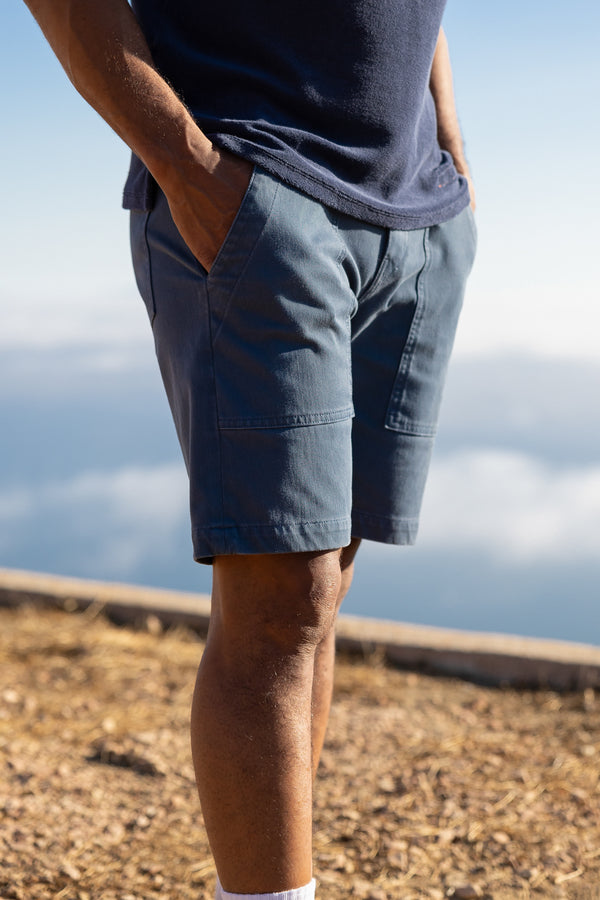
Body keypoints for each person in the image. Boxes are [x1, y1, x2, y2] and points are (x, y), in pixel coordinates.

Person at [22, 2, 477, 898]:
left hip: (415, 210)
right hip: (253, 183)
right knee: (281, 597)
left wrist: (451, 154)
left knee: (318, 591)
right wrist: (187, 166)